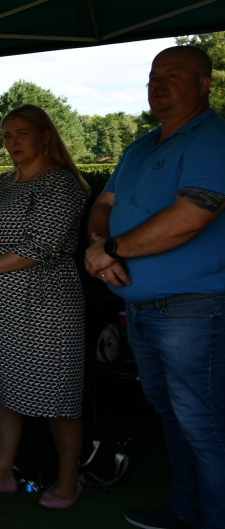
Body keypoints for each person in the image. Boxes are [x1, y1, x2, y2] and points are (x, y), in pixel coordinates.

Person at [84, 45, 225, 529]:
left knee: (204, 427)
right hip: (143, 313)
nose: (157, 84)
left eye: (173, 75)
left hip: (194, 311)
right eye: (152, 76)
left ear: (204, 84)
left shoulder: (212, 138)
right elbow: (104, 202)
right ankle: (187, 513)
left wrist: (113, 251)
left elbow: (192, 216)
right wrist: (100, 243)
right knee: (172, 418)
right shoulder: (141, 146)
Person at [0, 104, 89, 509]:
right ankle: (0, 474)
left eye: (22, 134)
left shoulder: (62, 185)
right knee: (2, 388)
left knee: (58, 394)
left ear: (46, 135)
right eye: (6, 136)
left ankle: (69, 480)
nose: (12, 143)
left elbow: (40, 245)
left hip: (47, 303)